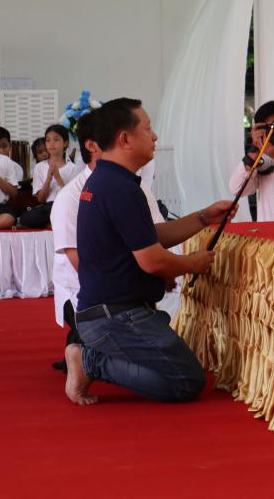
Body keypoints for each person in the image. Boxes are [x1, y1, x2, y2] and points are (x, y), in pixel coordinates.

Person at [64, 98, 236, 405]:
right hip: (116, 315)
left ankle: (94, 357)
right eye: (147, 128)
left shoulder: (109, 181)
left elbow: (149, 237)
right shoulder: (119, 187)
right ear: (125, 139)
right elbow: (152, 260)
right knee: (186, 381)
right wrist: (191, 263)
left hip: (110, 311)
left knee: (183, 372)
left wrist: (202, 217)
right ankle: (90, 362)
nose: (154, 136)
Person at [51, 110, 177, 371]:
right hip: (92, 295)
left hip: (125, 285)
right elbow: (82, 266)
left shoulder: (135, 186)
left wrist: (201, 219)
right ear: (92, 146)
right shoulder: (69, 197)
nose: (153, 137)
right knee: (175, 372)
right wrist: (177, 265)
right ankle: (87, 355)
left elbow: (155, 235)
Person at [19, 124, 79, 229]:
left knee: (69, 211)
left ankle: (51, 223)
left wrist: (58, 177)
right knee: (25, 218)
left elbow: (72, 198)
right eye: (48, 140)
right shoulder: (39, 167)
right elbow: (41, 199)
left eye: (56, 140)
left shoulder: (73, 168)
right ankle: (53, 223)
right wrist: (48, 179)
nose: (51, 144)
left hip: (65, 206)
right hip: (48, 207)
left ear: (65, 143)